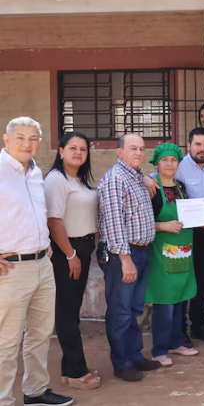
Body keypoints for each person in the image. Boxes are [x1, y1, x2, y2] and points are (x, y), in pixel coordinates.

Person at [0, 117, 74, 406]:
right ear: (6, 139)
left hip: (42, 263)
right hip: (11, 269)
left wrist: (44, 242)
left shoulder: (35, 172)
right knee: (6, 341)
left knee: (40, 334)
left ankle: (35, 391)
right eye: (20, 137)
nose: (27, 143)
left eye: (33, 138)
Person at [96, 134, 162, 382]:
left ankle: (134, 355)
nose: (138, 153)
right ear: (119, 152)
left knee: (134, 309)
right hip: (122, 254)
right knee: (121, 311)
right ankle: (122, 362)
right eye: (132, 148)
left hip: (140, 251)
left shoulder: (135, 177)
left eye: (142, 149)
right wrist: (125, 260)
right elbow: (114, 224)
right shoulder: (115, 179)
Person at [44, 132, 100, 390]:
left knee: (71, 310)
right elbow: (54, 221)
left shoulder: (79, 179)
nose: (78, 153)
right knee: (67, 312)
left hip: (82, 249)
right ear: (61, 151)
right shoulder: (56, 179)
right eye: (73, 148)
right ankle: (76, 372)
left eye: (83, 149)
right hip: (68, 250)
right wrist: (70, 255)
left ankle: (71, 368)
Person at [145, 143, 199, 367]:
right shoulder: (152, 189)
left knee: (179, 299)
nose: (169, 164)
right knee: (164, 302)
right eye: (165, 160)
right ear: (157, 163)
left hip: (182, 251)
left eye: (174, 160)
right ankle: (159, 350)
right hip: (161, 252)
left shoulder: (181, 186)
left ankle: (176, 342)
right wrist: (164, 226)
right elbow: (142, 223)